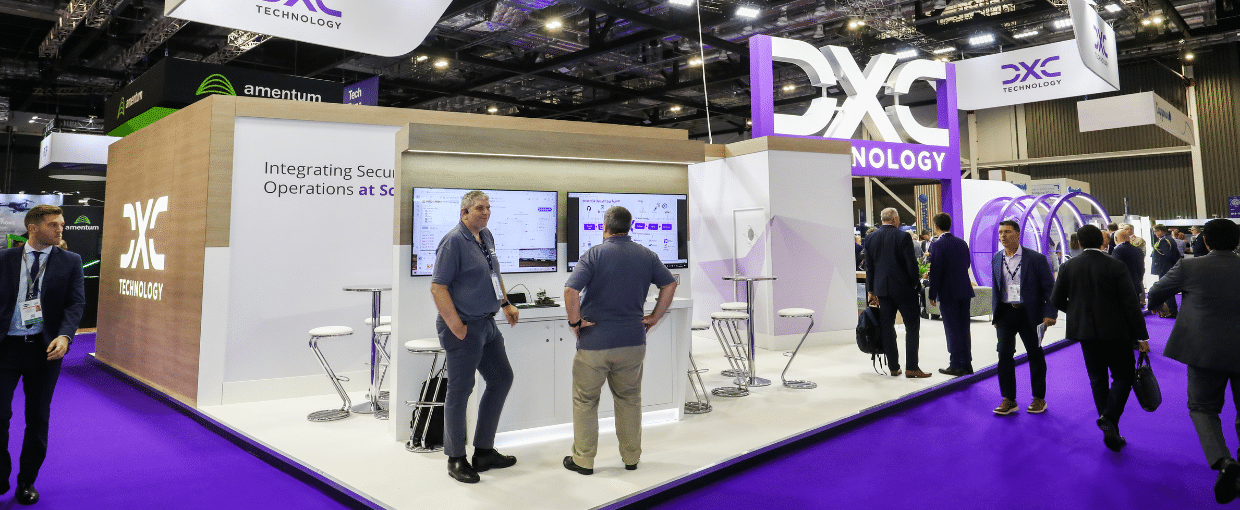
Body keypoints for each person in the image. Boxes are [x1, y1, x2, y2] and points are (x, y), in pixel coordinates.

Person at [561, 206, 677, 475]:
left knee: (585, 401)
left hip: (594, 344)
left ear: (605, 227)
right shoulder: (647, 255)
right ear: (630, 226)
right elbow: (669, 284)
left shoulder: (594, 254)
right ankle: (631, 458)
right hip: (633, 342)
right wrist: (655, 317)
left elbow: (570, 290)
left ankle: (584, 460)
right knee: (629, 400)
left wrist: (575, 322)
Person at [1147, 219, 1240, 504]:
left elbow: (1156, 292)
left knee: (1202, 408)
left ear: (1206, 242)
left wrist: (1158, 305)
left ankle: (1223, 462)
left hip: (1203, 351)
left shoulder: (1190, 266)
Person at [429, 190, 520, 484]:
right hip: (464, 327)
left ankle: (483, 451)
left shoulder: (487, 236)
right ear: (464, 212)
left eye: (488, 207)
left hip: (488, 324)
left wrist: (505, 303)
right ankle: (455, 458)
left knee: (501, 378)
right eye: (479, 208)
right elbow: (438, 287)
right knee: (460, 391)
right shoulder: (453, 241)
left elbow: (495, 274)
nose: (485, 212)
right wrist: (456, 326)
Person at [0, 205, 84, 505]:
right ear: (33, 227)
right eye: (53, 225)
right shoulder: (5, 258)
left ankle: (26, 482)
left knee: (37, 418)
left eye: (62, 224)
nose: (61, 229)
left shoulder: (71, 261)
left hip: (44, 350)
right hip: (5, 349)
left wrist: (65, 335)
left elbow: (75, 304)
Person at [1050, 225, 1149, 452]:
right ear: (1103, 242)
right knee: (1124, 376)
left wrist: (1076, 312)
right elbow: (1131, 304)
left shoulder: (1068, 266)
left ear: (1080, 243)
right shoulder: (1115, 265)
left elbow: (1056, 300)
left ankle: (1109, 427)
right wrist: (1142, 335)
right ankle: (1110, 418)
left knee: (1097, 379)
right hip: (1117, 331)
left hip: (1086, 333)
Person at [990, 220, 1057, 415]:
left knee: (1034, 354)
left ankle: (1038, 398)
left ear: (1018, 235)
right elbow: (996, 288)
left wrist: (1050, 313)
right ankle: (1009, 399)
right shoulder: (996, 258)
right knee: (1003, 354)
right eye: (1001, 232)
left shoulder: (1035, 259)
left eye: (1007, 232)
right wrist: (995, 316)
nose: (1003, 236)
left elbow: (1049, 289)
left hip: (1030, 313)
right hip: (1005, 313)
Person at [864, 208, 930, 378]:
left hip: (882, 292)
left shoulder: (870, 238)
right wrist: (916, 283)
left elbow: (869, 268)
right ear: (894, 219)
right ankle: (912, 367)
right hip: (904, 290)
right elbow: (911, 265)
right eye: (898, 219)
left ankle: (894, 367)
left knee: (887, 327)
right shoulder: (902, 237)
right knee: (912, 327)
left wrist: (871, 291)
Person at [927, 213, 974, 376]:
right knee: (963, 328)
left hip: (948, 293)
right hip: (964, 291)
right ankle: (967, 363)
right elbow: (967, 263)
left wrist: (932, 293)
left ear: (936, 226)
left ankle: (955, 364)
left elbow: (936, 271)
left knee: (952, 328)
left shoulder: (938, 245)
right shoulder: (961, 243)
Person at [1150, 224, 1182, 318]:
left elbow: (1168, 255)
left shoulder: (1164, 240)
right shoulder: (1169, 238)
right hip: (1168, 267)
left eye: (1156, 231)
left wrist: (1171, 266)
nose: (1155, 234)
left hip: (1165, 268)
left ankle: (1171, 311)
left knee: (1167, 291)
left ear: (1160, 231)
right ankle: (1171, 311)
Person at [1111, 229, 1146, 306]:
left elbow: (1115, 269)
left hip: (1122, 287)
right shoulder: (1138, 250)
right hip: (1136, 284)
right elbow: (1141, 269)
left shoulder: (1117, 251)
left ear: (1116, 238)